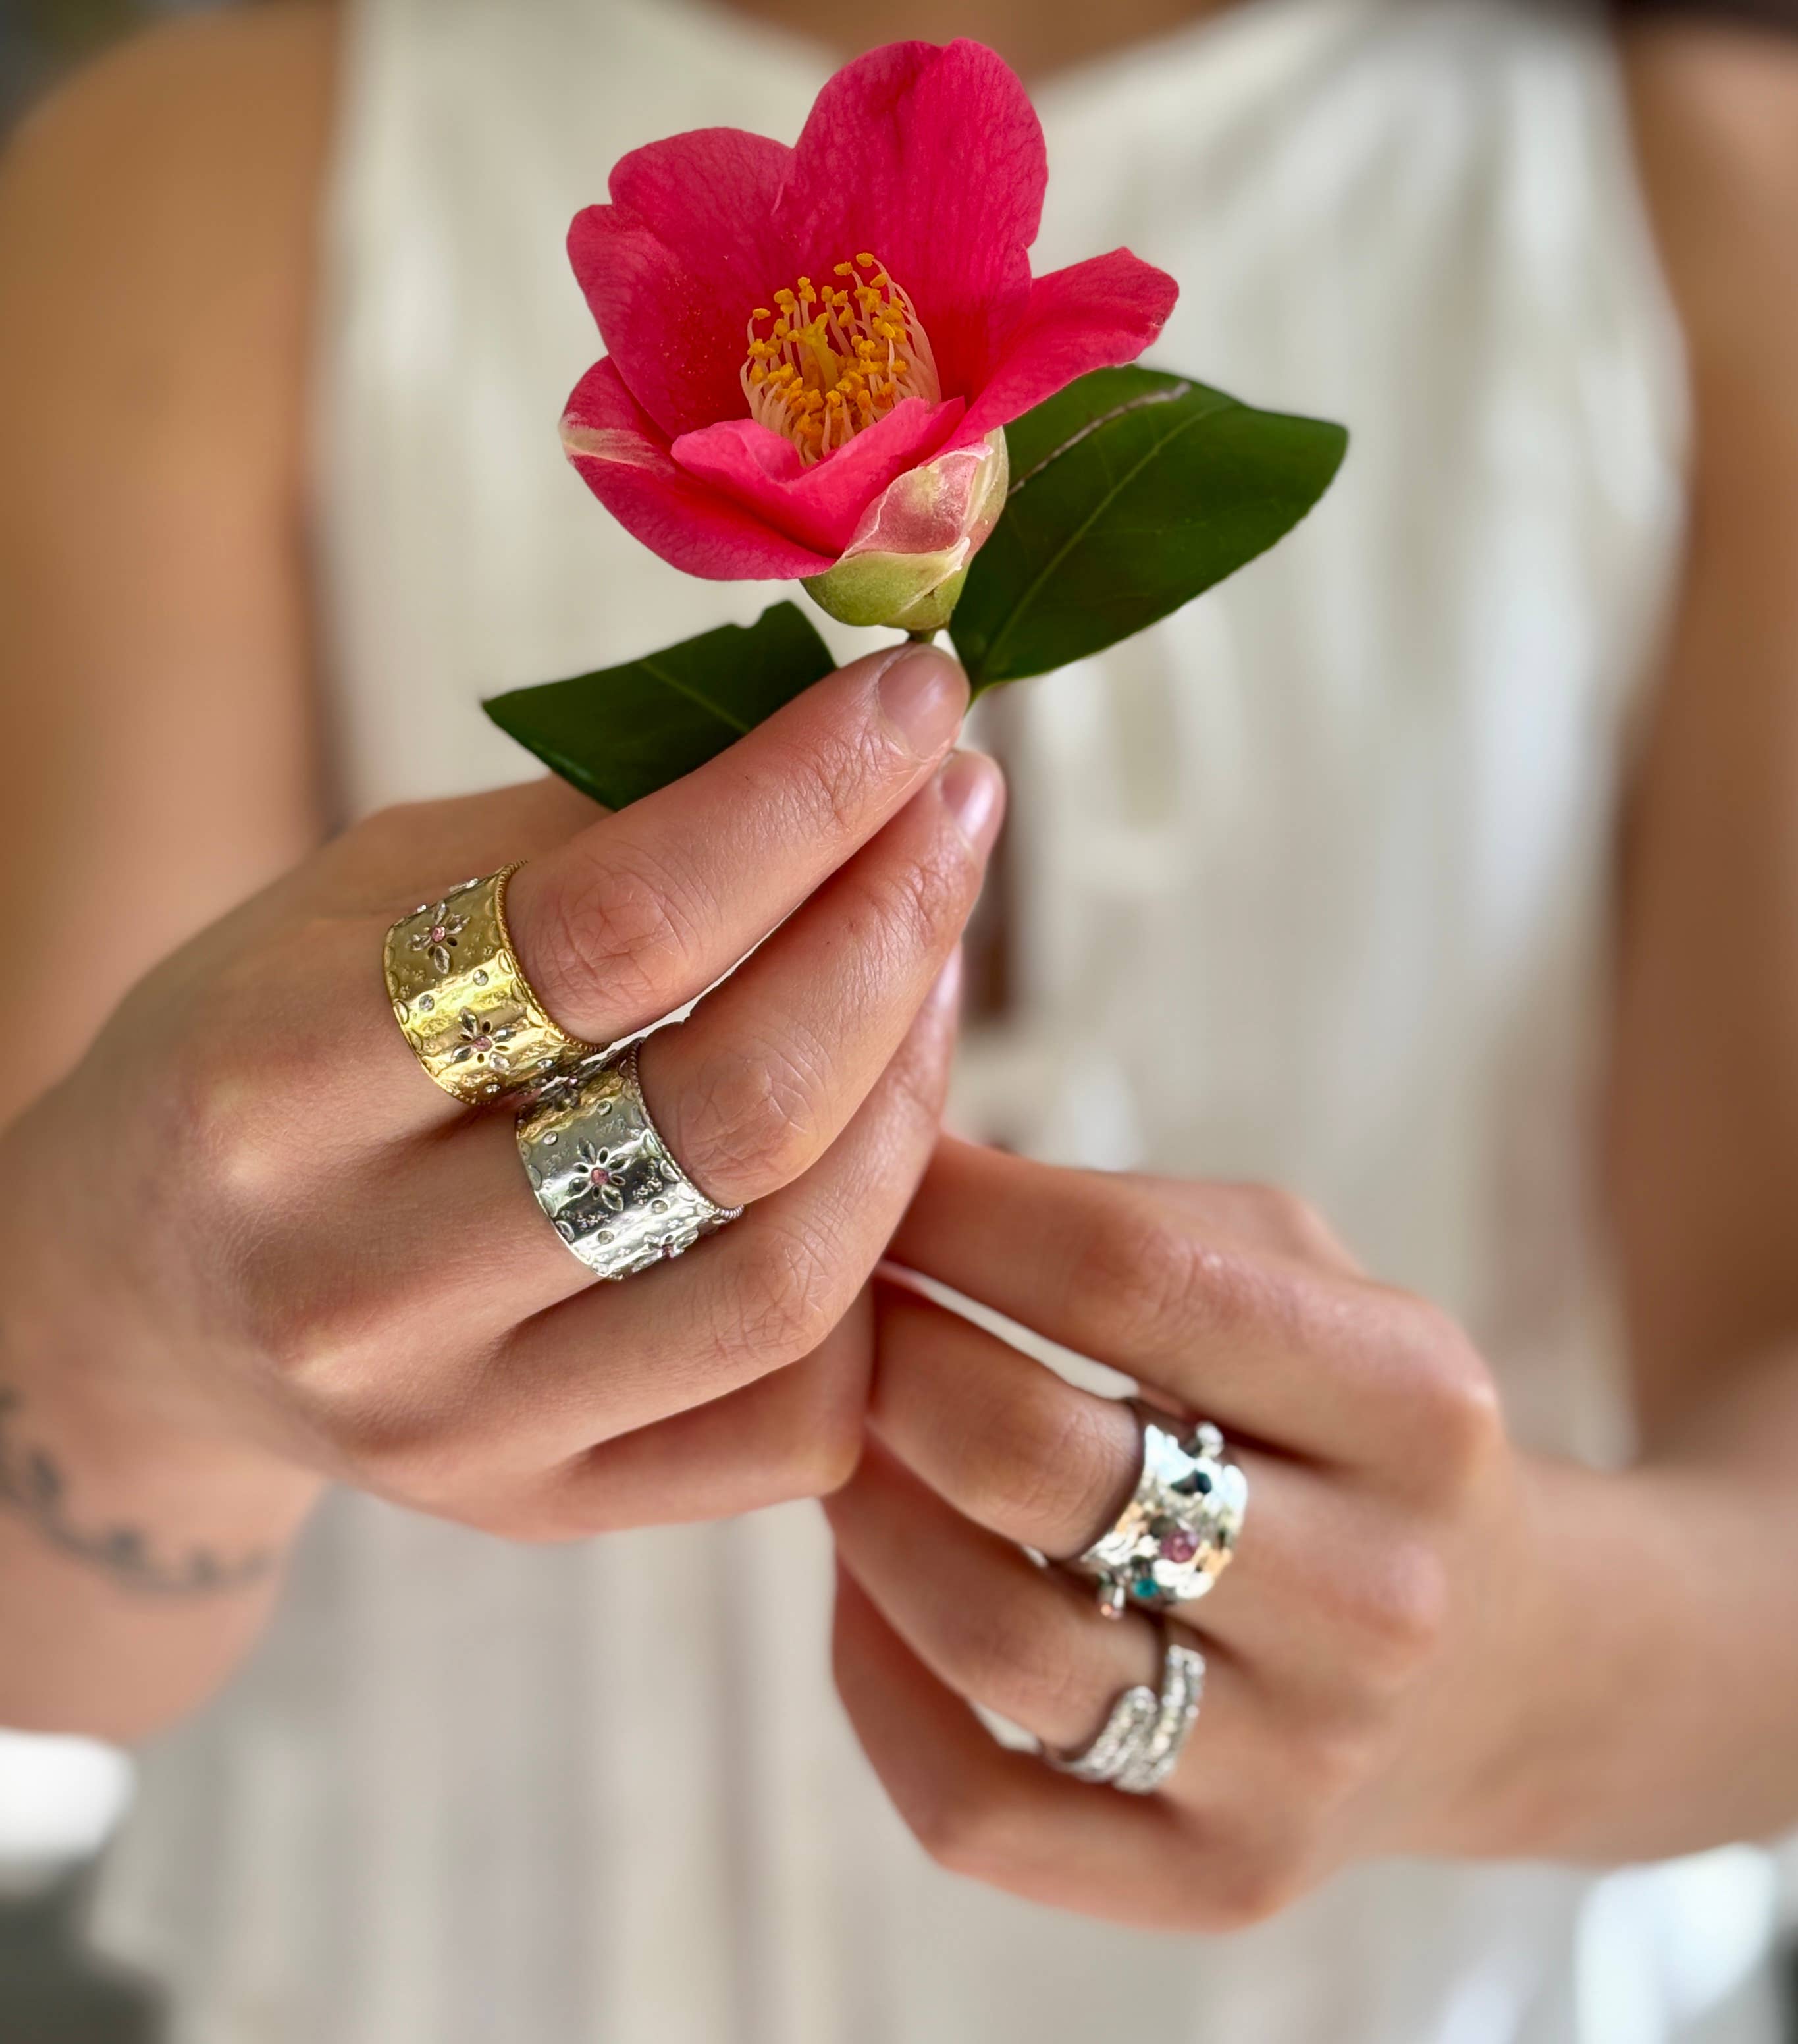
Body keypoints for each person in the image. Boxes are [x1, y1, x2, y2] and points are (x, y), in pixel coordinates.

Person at [2, 0, 1797, 2039]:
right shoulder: (212, 172)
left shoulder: (1713, 199)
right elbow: (43, 1650)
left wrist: (1530, 1678)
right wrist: (118, 1319)